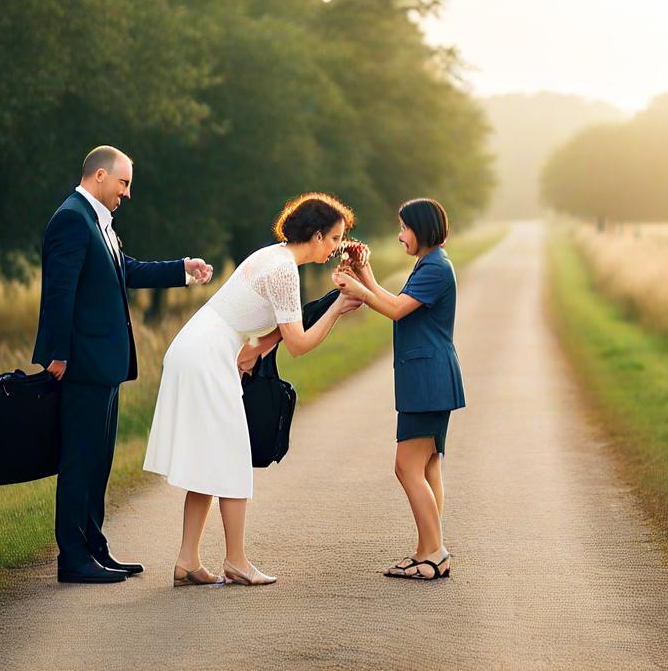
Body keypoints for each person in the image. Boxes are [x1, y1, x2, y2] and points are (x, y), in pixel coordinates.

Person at [144, 193, 363, 587]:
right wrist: (338, 307)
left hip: (200, 346)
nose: (335, 249)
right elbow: (298, 343)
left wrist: (260, 345)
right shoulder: (283, 271)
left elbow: (269, 325)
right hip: (209, 355)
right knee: (230, 456)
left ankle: (187, 561)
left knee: (210, 458)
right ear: (315, 236)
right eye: (333, 239)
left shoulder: (272, 256)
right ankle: (237, 562)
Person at [32, 145, 215, 584]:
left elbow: (124, 270)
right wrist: (57, 354)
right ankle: (73, 559)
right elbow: (60, 292)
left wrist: (181, 270)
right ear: (99, 176)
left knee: (98, 462)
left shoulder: (100, 222)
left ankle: (95, 548)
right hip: (81, 365)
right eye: (123, 183)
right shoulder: (72, 219)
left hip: (106, 365)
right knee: (79, 461)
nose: (127, 193)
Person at [333, 198, 464, 581]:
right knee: (426, 465)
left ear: (421, 229)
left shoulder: (435, 267)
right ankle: (426, 551)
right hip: (428, 379)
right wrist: (365, 273)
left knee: (407, 466)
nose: (399, 234)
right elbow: (395, 301)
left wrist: (354, 285)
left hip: (428, 380)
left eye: (404, 227)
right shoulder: (430, 264)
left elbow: (392, 310)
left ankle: (435, 553)